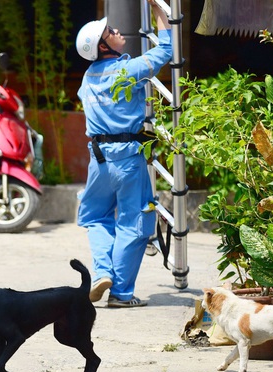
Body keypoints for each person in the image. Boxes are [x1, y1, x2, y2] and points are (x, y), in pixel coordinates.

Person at [75, 1, 172, 308]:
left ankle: (102, 270)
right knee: (134, 223)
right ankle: (121, 293)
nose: (117, 31)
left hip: (99, 159)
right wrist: (160, 12)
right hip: (129, 158)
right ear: (104, 46)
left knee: (95, 216)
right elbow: (165, 51)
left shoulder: (87, 79)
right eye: (110, 31)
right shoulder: (127, 70)